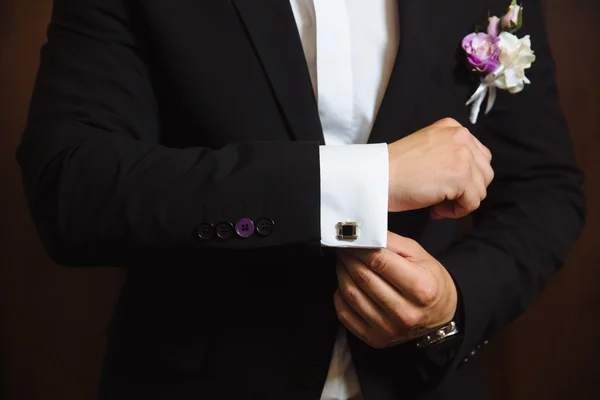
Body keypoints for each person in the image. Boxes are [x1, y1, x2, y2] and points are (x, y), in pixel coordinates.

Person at [16, 0, 585, 399]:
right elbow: (73, 185)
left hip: (425, 383)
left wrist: (453, 302)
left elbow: (544, 186)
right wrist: (367, 179)